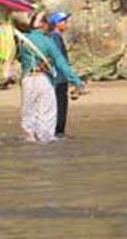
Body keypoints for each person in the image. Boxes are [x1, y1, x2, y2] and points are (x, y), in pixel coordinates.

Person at [19, 11, 85, 142]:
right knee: (46, 116)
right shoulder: (47, 41)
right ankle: (46, 147)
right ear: (43, 24)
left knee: (29, 115)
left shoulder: (23, 40)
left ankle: (31, 141)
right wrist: (76, 81)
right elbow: (61, 62)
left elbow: (21, 59)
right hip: (43, 80)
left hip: (27, 80)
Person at [48, 11, 73, 137]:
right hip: (59, 77)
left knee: (59, 103)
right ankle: (58, 132)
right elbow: (58, 58)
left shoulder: (54, 36)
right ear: (56, 24)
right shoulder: (55, 36)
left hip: (59, 76)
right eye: (63, 21)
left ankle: (56, 131)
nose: (66, 24)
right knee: (60, 104)